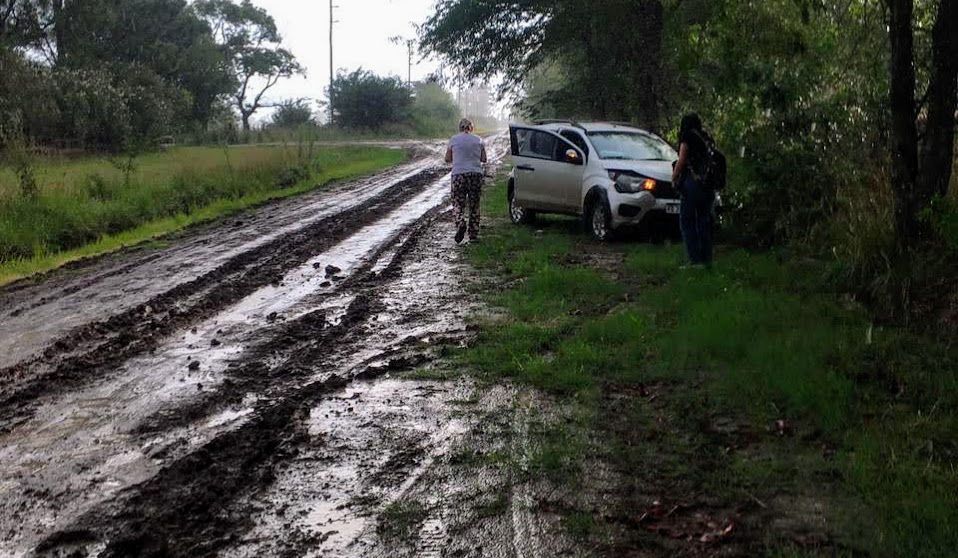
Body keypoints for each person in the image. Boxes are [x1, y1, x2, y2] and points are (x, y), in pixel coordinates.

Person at [671, 113, 715, 267]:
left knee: (687, 221)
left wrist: (674, 176)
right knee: (704, 221)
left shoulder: (687, 137)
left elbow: (682, 159)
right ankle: (706, 258)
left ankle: (694, 259)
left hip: (692, 183)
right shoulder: (706, 138)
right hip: (708, 185)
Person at [446, 118, 488, 244]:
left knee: (458, 203)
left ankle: (460, 222)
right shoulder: (479, 140)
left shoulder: (453, 139)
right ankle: (473, 235)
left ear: (460, 128)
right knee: (474, 205)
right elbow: (484, 159)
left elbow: (447, 158)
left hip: (458, 175)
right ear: (471, 128)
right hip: (475, 175)